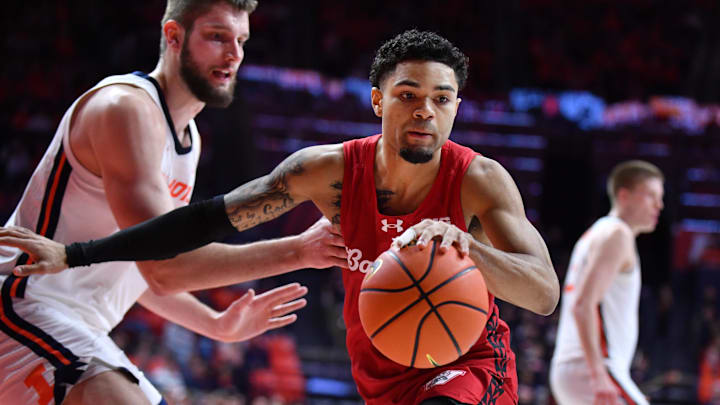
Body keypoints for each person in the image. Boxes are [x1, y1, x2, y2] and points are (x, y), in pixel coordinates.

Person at [0, 30, 559, 404]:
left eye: (442, 98)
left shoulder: (479, 181)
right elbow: (201, 222)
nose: (425, 111)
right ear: (376, 101)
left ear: (457, 107)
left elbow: (543, 293)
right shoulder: (330, 172)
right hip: (381, 376)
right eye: (409, 94)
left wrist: (465, 245)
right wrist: (76, 253)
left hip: (472, 368)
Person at [0, 1, 347, 404]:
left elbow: (138, 265)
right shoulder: (124, 110)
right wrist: (299, 250)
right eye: (217, 37)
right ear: (173, 37)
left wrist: (216, 325)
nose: (234, 54)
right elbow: (165, 268)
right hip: (22, 305)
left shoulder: (188, 141)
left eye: (241, 40)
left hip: (74, 325)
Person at [549, 160, 664, 405]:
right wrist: (599, 375)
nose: (659, 205)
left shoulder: (597, 233)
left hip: (578, 367)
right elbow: (583, 304)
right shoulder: (617, 235)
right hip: (593, 366)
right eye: (652, 196)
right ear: (624, 196)